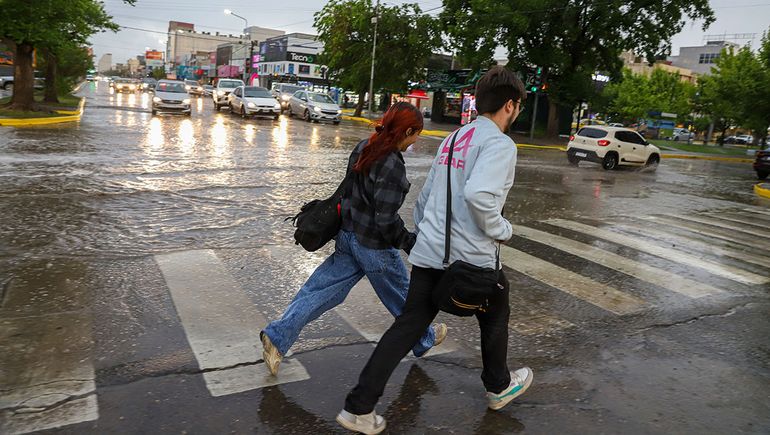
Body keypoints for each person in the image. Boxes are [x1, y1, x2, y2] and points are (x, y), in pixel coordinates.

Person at [337, 67, 532, 434]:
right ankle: (499, 386)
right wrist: (503, 230)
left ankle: (358, 407)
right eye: (518, 107)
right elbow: (479, 196)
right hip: (470, 260)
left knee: (408, 326)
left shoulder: (456, 138)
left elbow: (426, 198)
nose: (516, 112)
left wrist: (427, 238)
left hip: (430, 256)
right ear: (510, 105)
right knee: (496, 306)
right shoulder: (500, 144)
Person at [260, 102, 448, 376]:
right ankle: (424, 337)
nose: (416, 139)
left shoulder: (364, 146)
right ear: (407, 130)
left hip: (348, 237)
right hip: (374, 247)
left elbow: (349, 193)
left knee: (318, 292)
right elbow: (385, 219)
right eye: (416, 133)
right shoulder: (392, 165)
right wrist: (409, 242)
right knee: (404, 296)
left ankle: (276, 337)